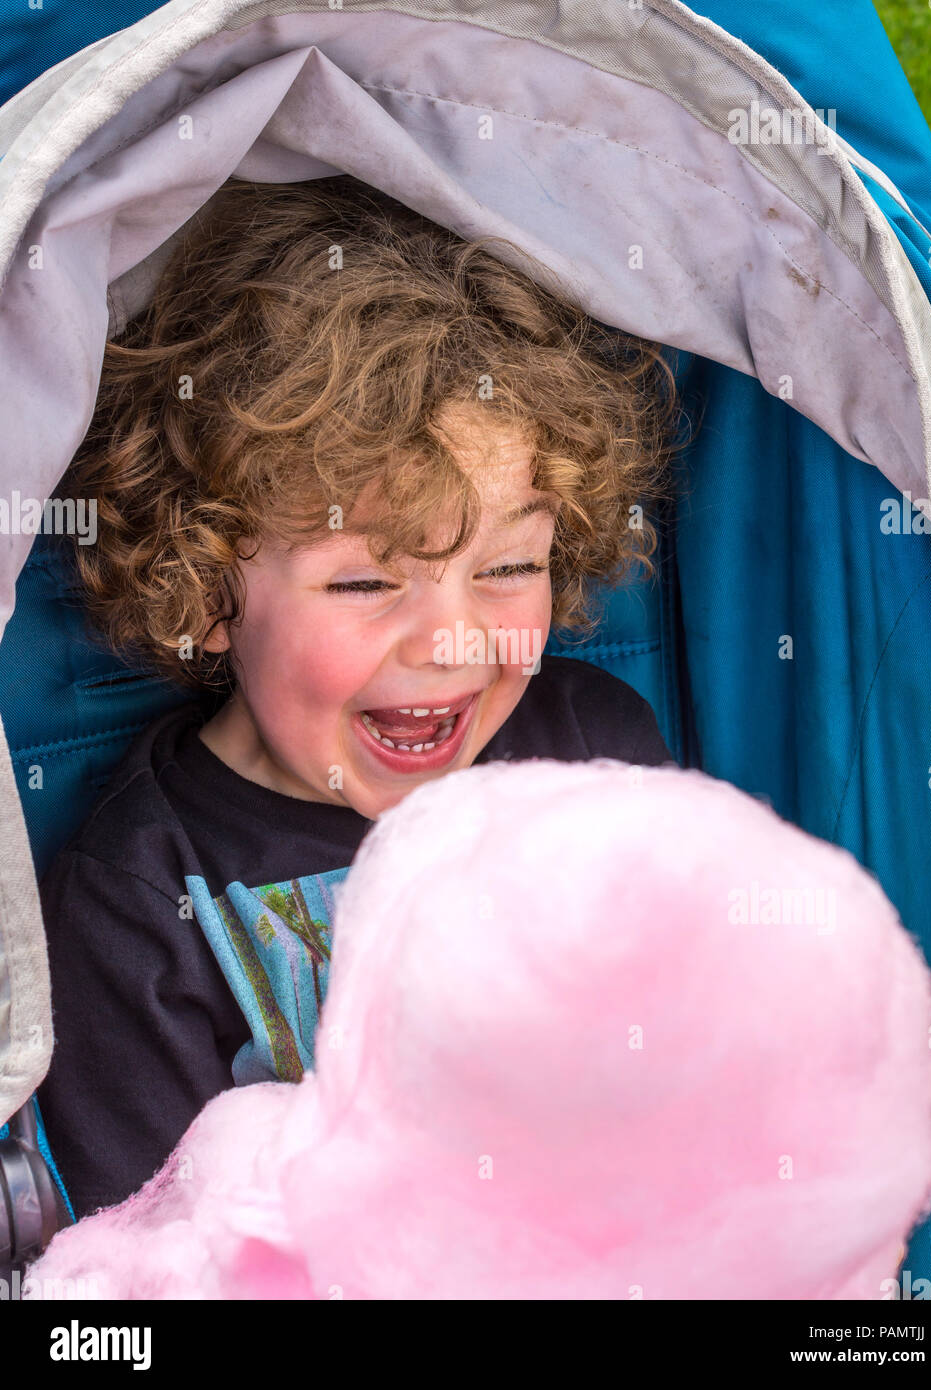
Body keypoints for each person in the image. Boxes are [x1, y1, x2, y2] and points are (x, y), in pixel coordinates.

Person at [37, 175, 678, 1219]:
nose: (455, 637)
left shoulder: (594, 752)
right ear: (206, 591)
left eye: (509, 567)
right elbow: (146, 1257)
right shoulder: (143, 902)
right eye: (369, 582)